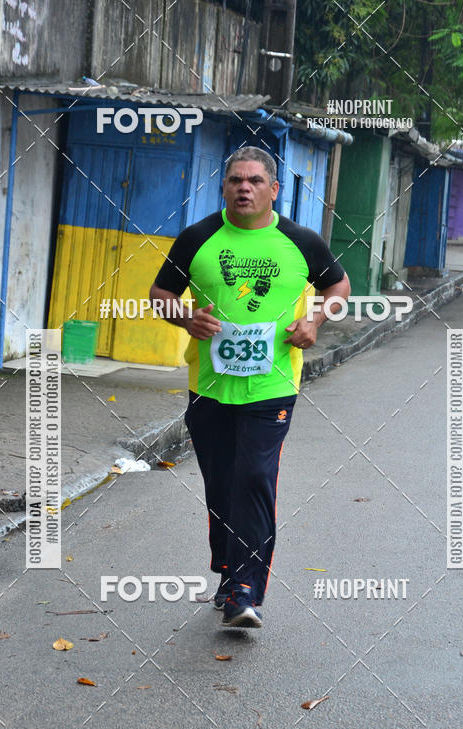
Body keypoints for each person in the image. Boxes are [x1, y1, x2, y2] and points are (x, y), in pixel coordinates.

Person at [149, 147, 350, 628]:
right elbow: (160, 296)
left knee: (254, 479)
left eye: (255, 181)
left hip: (272, 388)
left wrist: (316, 321)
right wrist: (184, 317)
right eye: (237, 180)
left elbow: (338, 288)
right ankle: (227, 571)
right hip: (210, 387)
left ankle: (245, 590)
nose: (245, 188)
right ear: (224, 187)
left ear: (273, 189)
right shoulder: (197, 238)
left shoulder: (302, 242)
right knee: (220, 483)